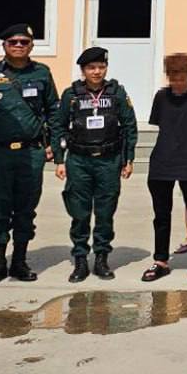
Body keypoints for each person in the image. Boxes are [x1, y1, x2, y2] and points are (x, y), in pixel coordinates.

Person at [0, 23, 60, 286]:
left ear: (32, 45)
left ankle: (19, 261)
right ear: (4, 45)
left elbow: (54, 111)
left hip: (31, 152)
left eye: (24, 42)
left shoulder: (42, 73)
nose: (18, 46)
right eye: (13, 42)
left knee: (26, 207)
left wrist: (53, 143)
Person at [50, 47, 138, 282]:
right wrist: (59, 160)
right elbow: (58, 126)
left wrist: (128, 159)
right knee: (79, 212)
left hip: (109, 160)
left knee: (105, 211)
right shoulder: (71, 95)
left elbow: (129, 126)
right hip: (79, 160)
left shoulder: (117, 93)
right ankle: (80, 259)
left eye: (101, 67)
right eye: (91, 68)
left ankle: (101, 258)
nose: (97, 72)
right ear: (83, 70)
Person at [143, 53, 187, 283]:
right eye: (173, 78)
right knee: (161, 214)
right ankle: (161, 259)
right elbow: (160, 124)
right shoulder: (161, 97)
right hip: (163, 160)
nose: (178, 83)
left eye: (182, 78)